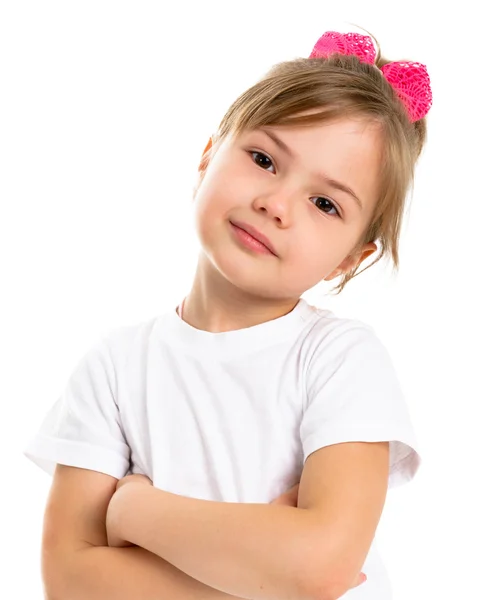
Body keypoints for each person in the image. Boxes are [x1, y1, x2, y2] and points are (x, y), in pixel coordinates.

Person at [23, 30, 432, 600]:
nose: (276, 204)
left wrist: (134, 509)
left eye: (325, 203)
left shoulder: (340, 359)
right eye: (264, 159)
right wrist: (270, 577)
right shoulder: (116, 366)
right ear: (208, 155)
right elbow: (69, 580)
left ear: (350, 259)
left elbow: (321, 566)